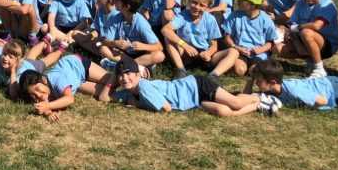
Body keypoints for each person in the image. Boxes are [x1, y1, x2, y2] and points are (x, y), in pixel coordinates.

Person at [111, 55, 265, 117]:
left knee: (235, 103)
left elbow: (166, 108)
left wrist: (138, 105)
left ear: (138, 75)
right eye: (120, 75)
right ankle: (258, 104)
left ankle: (258, 96)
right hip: (194, 100)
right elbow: (107, 97)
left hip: (197, 85)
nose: (124, 78)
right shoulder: (130, 91)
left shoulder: (144, 88)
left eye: (128, 74)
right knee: (224, 112)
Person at [162, 0, 235, 79]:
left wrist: (208, 52)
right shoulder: (182, 16)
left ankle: (213, 75)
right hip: (186, 52)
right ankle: (181, 69)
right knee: (168, 37)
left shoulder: (210, 19)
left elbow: (214, 46)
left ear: (208, 7)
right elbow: (165, 30)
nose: (197, 7)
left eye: (201, 5)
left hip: (204, 54)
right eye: (194, 2)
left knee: (233, 51)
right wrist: (185, 45)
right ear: (189, 0)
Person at [278, 0, 338, 78]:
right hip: (304, 39)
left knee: (307, 33)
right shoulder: (301, 3)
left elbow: (316, 26)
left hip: (327, 44)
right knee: (278, 48)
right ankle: (310, 60)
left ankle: (319, 69)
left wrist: (297, 28)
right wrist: (291, 33)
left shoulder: (327, 4)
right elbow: (292, 22)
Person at [18, 54, 111, 120]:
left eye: (37, 89)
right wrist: (49, 113)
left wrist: (48, 105)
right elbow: (45, 106)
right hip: (76, 82)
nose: (38, 95)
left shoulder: (56, 79)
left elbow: (70, 99)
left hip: (78, 65)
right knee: (105, 92)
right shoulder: (42, 94)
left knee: (113, 81)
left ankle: (118, 68)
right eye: (33, 95)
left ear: (44, 79)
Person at [221, 0, 277, 76]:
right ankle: (238, 66)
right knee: (239, 70)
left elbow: (270, 42)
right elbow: (227, 37)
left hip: (258, 53)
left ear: (252, 4)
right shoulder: (235, 15)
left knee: (254, 71)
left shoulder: (265, 19)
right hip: (239, 50)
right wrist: (236, 47)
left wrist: (260, 50)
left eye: (242, 0)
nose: (238, 1)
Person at [249, 59, 338, 111]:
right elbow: (247, 96)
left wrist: (303, 107)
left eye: (258, 80)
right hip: (333, 95)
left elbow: (322, 101)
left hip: (334, 88)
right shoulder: (271, 89)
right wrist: (251, 78)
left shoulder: (293, 90)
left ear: (272, 82)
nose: (256, 83)